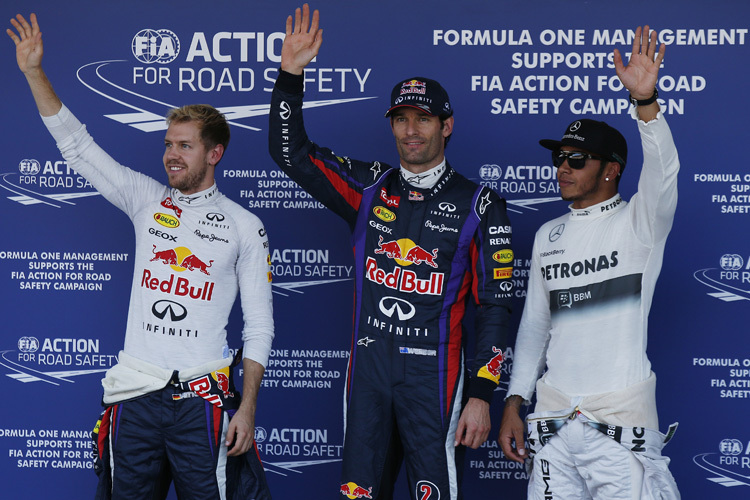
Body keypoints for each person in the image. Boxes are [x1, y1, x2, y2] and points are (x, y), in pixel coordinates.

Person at [8, 13, 274, 500]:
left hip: (204, 401)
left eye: (185, 146)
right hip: (135, 395)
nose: (172, 155)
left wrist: (248, 408)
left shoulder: (244, 224)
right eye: (169, 144)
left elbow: (258, 327)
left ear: (214, 153)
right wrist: (32, 73)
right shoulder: (146, 199)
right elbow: (77, 147)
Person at [268, 5, 513, 500]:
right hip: (369, 375)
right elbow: (291, 154)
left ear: (447, 125)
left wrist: (482, 395)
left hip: (436, 379)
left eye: (423, 119)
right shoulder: (370, 186)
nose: (411, 130)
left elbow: (495, 306)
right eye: (401, 119)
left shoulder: (481, 204)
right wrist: (291, 75)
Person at [498, 26, 680, 499]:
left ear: (611, 169)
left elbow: (663, 173)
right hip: (553, 426)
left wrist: (646, 104)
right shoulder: (547, 235)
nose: (563, 167)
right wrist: (515, 401)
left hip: (618, 427)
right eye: (560, 157)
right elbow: (536, 326)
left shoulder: (640, 222)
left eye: (576, 159)